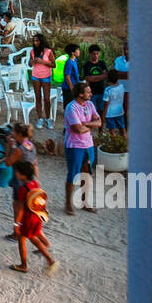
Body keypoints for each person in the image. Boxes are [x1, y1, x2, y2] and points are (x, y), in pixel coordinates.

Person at [9, 161, 57, 274]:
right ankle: (49, 260)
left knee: (22, 239)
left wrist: (17, 224)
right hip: (36, 216)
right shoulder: (35, 183)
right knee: (34, 238)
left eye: (17, 172)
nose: (16, 173)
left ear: (23, 174)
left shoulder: (23, 189)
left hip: (27, 219)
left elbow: (20, 208)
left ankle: (24, 265)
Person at [63, 80, 101, 214]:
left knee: (87, 174)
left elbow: (99, 122)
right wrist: (91, 124)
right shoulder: (71, 108)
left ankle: (85, 202)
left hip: (88, 145)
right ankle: (68, 204)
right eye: (88, 92)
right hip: (74, 146)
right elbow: (77, 129)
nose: (91, 94)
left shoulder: (90, 104)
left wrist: (86, 124)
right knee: (73, 175)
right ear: (80, 94)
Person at [29, 33, 55, 128]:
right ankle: (40, 118)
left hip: (46, 76)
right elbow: (29, 63)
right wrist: (32, 62)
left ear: (41, 41)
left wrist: (42, 62)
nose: (35, 42)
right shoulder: (32, 51)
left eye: (37, 41)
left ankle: (48, 118)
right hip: (35, 75)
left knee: (47, 99)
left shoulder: (48, 51)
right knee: (38, 97)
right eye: (34, 41)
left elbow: (54, 65)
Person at [83, 44, 109, 116]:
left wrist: (94, 77)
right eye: (94, 54)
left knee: (101, 111)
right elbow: (88, 79)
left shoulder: (102, 63)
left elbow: (106, 75)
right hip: (91, 92)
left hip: (101, 91)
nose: (96, 56)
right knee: (91, 112)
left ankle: (100, 126)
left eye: (97, 53)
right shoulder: (87, 65)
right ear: (90, 54)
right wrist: (101, 76)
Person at [62, 43, 81, 107]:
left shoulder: (75, 60)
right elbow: (67, 78)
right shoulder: (69, 63)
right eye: (77, 50)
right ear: (72, 52)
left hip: (74, 86)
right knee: (69, 105)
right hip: (69, 88)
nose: (79, 51)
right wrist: (72, 89)